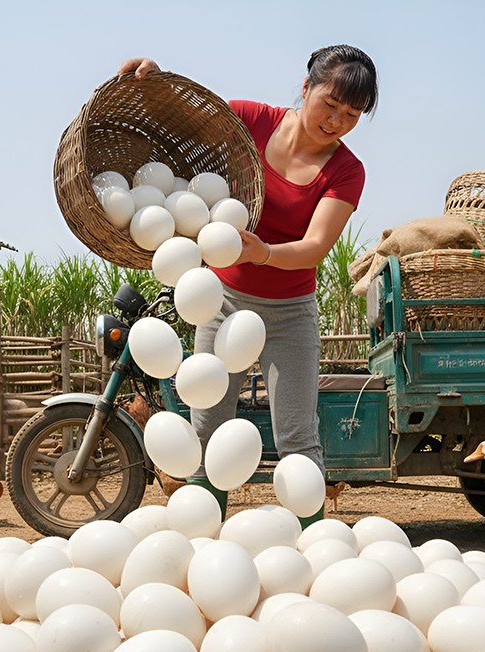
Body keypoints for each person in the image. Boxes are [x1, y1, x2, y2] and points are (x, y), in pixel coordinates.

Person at [118, 46, 378, 519]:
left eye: (351, 114)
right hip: (221, 301)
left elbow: (316, 246)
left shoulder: (347, 171)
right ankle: (202, 538)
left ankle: (311, 537)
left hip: (291, 311)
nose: (336, 120)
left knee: (298, 435)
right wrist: (157, 82)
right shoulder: (249, 120)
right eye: (330, 103)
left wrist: (263, 251)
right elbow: (183, 120)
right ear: (306, 87)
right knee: (207, 427)